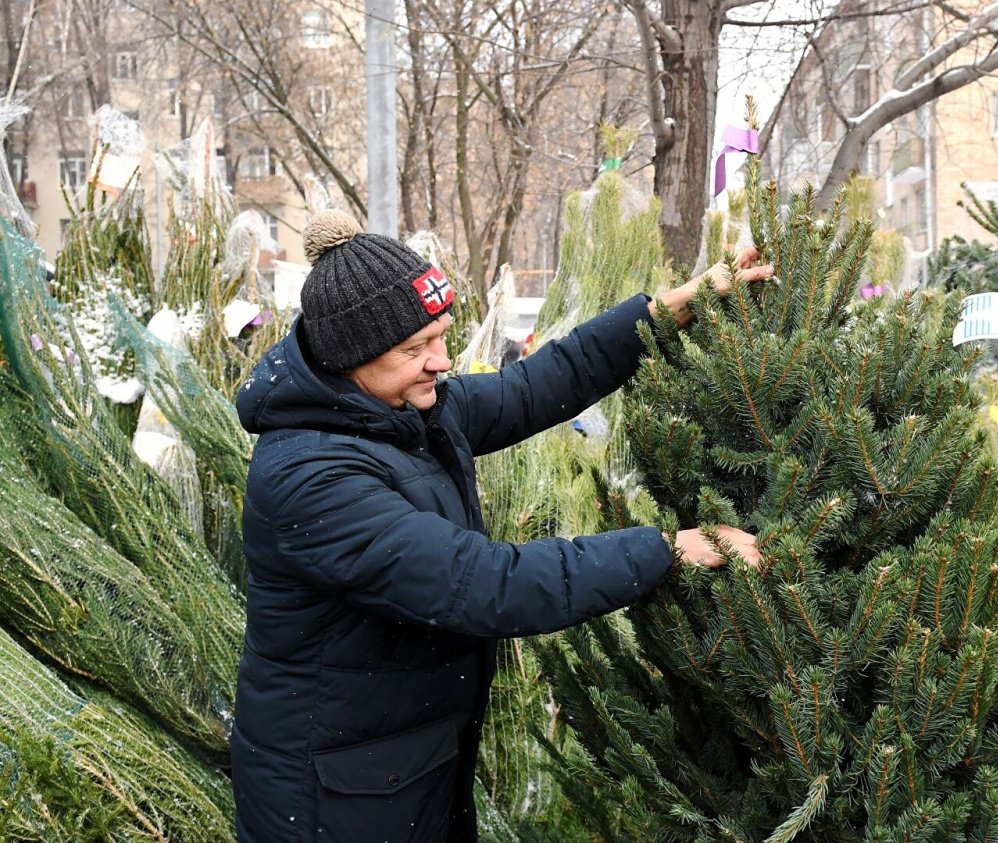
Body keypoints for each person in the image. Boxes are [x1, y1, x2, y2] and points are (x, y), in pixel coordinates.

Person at [231, 209, 771, 842]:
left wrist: (671, 311)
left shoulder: (398, 408)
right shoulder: (311, 476)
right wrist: (665, 550)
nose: (442, 360)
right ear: (352, 358)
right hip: (331, 798)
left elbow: (536, 386)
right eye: (415, 349)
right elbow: (483, 584)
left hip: (395, 765)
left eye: (440, 335)